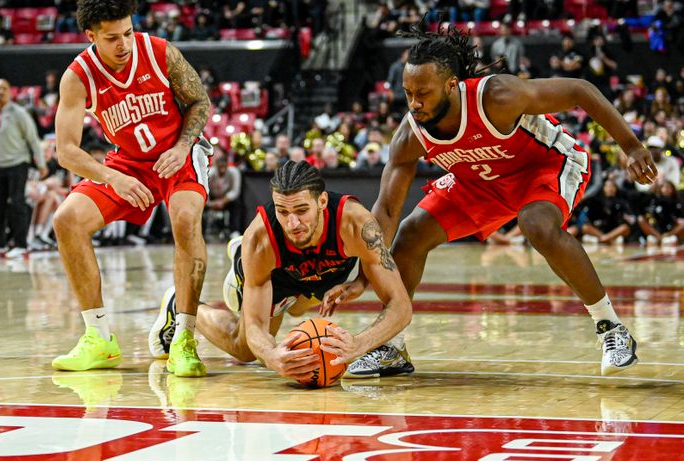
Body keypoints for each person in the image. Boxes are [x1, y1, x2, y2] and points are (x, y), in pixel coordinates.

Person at [325, 26, 658, 377]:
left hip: (543, 165)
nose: (414, 103)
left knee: (536, 224)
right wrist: (364, 275)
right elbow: (388, 210)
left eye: (423, 93)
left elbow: (579, 89)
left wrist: (632, 147)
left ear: (452, 85)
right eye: (408, 93)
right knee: (410, 234)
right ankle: (392, 346)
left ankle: (611, 328)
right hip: (479, 181)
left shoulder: (497, 96)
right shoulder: (411, 133)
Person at [49, 0, 212, 377]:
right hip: (128, 161)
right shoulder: (78, 76)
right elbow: (66, 151)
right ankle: (99, 338)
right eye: (112, 38)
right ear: (91, 36)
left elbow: (199, 101)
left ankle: (184, 339)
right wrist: (114, 177)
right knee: (67, 220)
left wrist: (183, 146)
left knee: (185, 220)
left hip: (177, 153)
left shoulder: (159, 52)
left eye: (127, 32)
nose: (124, 44)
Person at [148, 161, 413, 380]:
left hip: (322, 272)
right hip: (278, 273)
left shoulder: (357, 224)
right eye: (283, 211)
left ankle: (277, 294)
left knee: (297, 310)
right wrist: (271, 355)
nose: (292, 222)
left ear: (322, 201)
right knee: (245, 350)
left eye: (301, 210)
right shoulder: (261, 238)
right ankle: (180, 305)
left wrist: (359, 343)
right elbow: (255, 326)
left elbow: (401, 306)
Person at [0, 78, 48, 259]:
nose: (1, 91)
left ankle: (21, 244)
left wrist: (41, 163)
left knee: (17, 203)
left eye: (4, 88)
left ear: (10, 92)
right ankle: (0, 244)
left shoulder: (20, 114)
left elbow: (33, 139)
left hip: (18, 163)